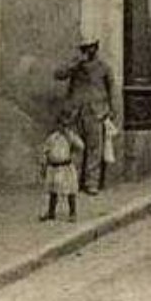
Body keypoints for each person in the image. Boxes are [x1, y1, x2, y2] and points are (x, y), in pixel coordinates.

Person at [56, 39, 115, 195]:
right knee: (76, 148)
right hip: (75, 112)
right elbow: (58, 74)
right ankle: (73, 182)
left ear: (96, 48)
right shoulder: (75, 66)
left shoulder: (104, 68)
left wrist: (111, 110)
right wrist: (74, 64)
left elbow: (111, 90)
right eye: (84, 49)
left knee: (95, 149)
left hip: (96, 111)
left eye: (90, 48)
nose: (87, 52)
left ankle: (91, 183)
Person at [40, 108, 85, 223]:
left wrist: (71, 137)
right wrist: (44, 165)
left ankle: (72, 212)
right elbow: (45, 151)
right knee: (53, 191)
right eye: (61, 125)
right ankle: (51, 212)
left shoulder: (70, 137)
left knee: (70, 190)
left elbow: (81, 146)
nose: (63, 128)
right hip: (54, 167)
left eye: (66, 125)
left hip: (66, 167)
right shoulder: (52, 138)